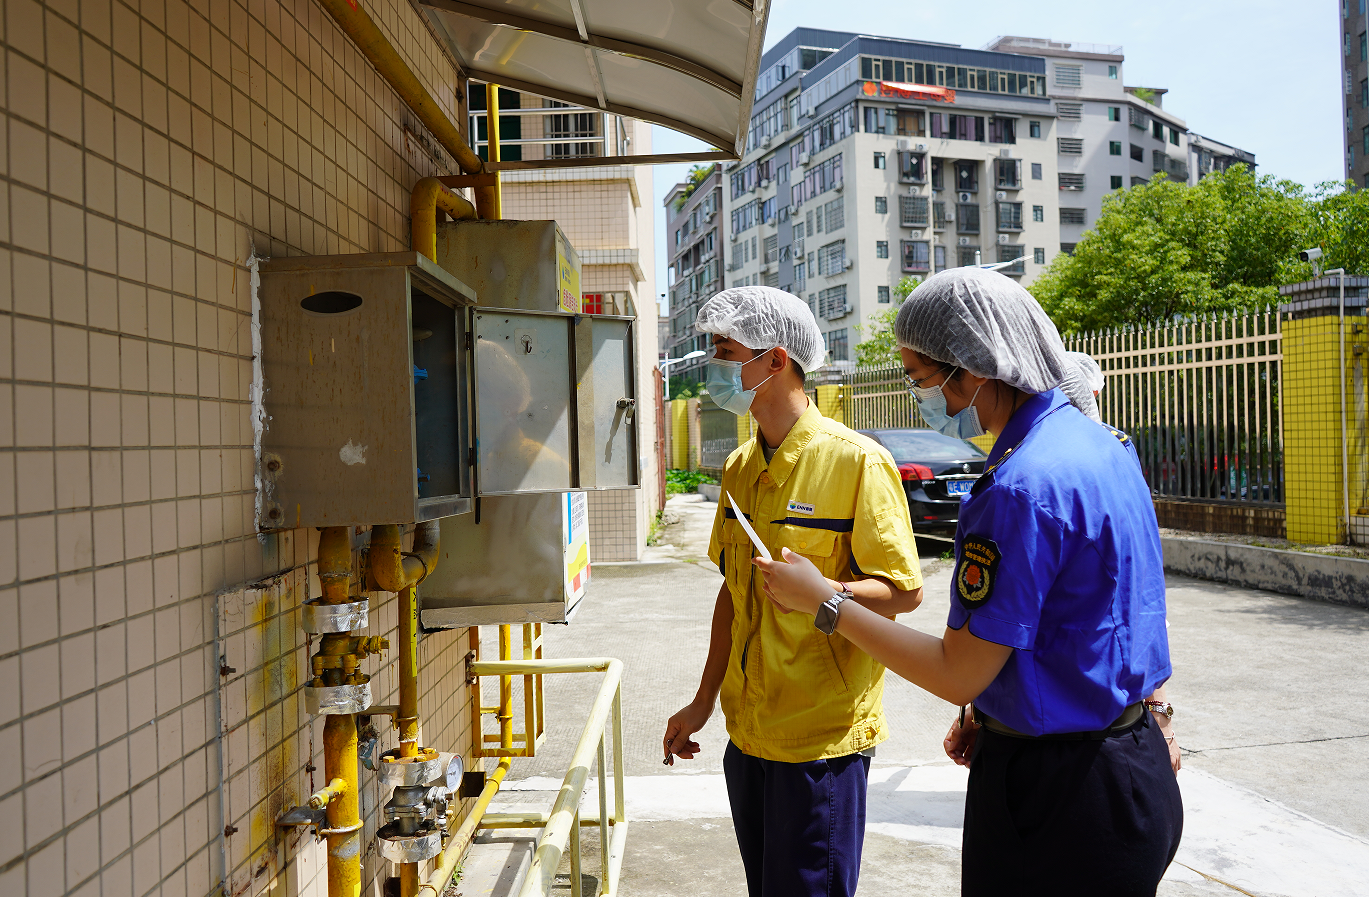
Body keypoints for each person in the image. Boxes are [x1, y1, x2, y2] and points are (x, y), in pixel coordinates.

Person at [757, 269, 1183, 896]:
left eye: (921, 380)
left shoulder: (1018, 487)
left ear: (974, 368)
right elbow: (1099, 613)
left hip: (1060, 795)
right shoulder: (1104, 446)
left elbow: (957, 671)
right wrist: (992, 706)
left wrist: (825, 601)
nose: (921, 399)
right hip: (1132, 761)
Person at [662, 286, 925, 897]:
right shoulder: (739, 468)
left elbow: (902, 592)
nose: (713, 367)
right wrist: (703, 701)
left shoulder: (857, 462)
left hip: (820, 747)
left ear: (775, 360)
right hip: (748, 736)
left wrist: (824, 590)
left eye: (726, 353)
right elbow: (733, 594)